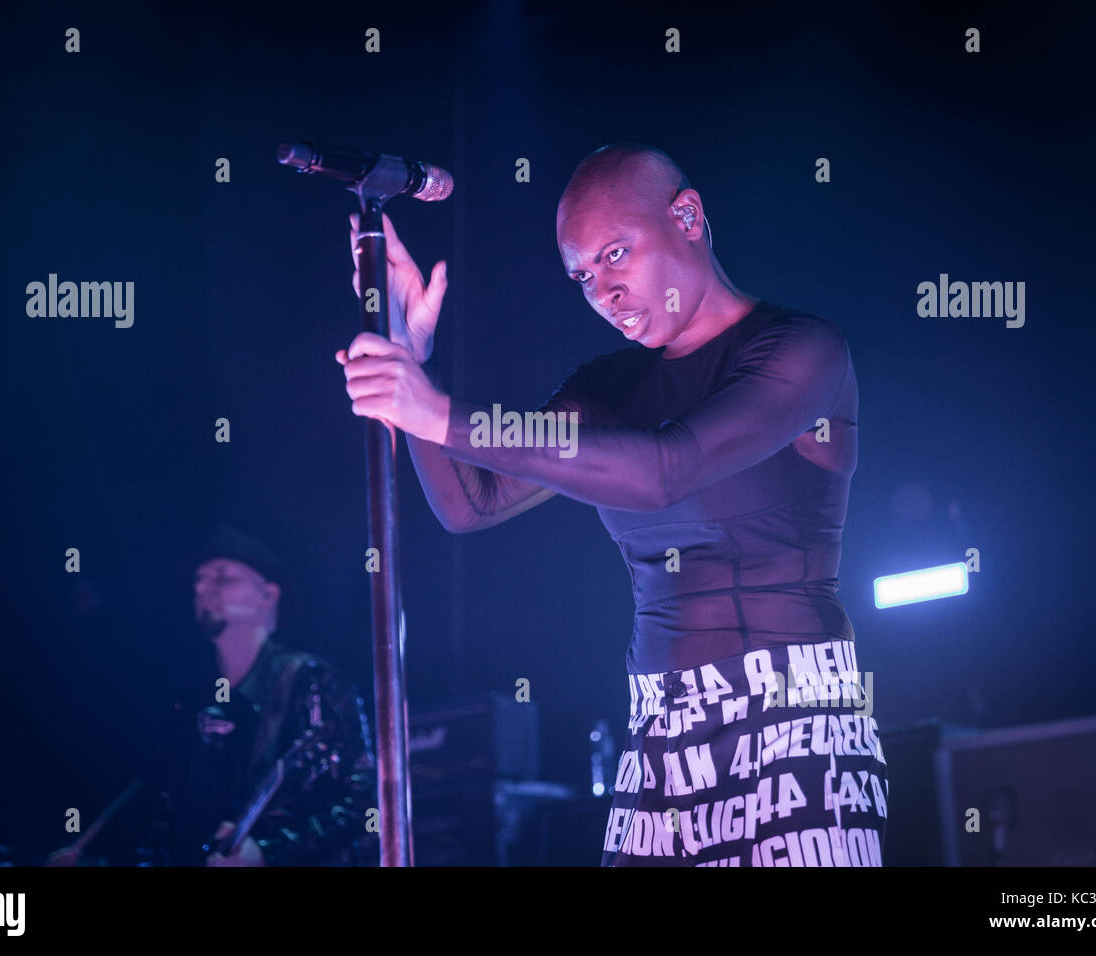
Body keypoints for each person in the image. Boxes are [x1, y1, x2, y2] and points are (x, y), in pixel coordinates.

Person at [335, 143, 888, 866]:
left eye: (617, 254)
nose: (605, 292)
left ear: (687, 216)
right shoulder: (607, 385)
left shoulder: (801, 349)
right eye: (583, 276)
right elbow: (472, 502)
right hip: (660, 725)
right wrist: (411, 352)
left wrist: (437, 412)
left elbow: (669, 466)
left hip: (797, 713)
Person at [51, 527, 378, 866]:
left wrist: (269, 852)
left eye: (222, 578)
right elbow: (166, 833)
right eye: (199, 580)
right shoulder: (191, 705)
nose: (202, 588)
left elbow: (362, 804)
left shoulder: (309, 681)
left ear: (267, 596)